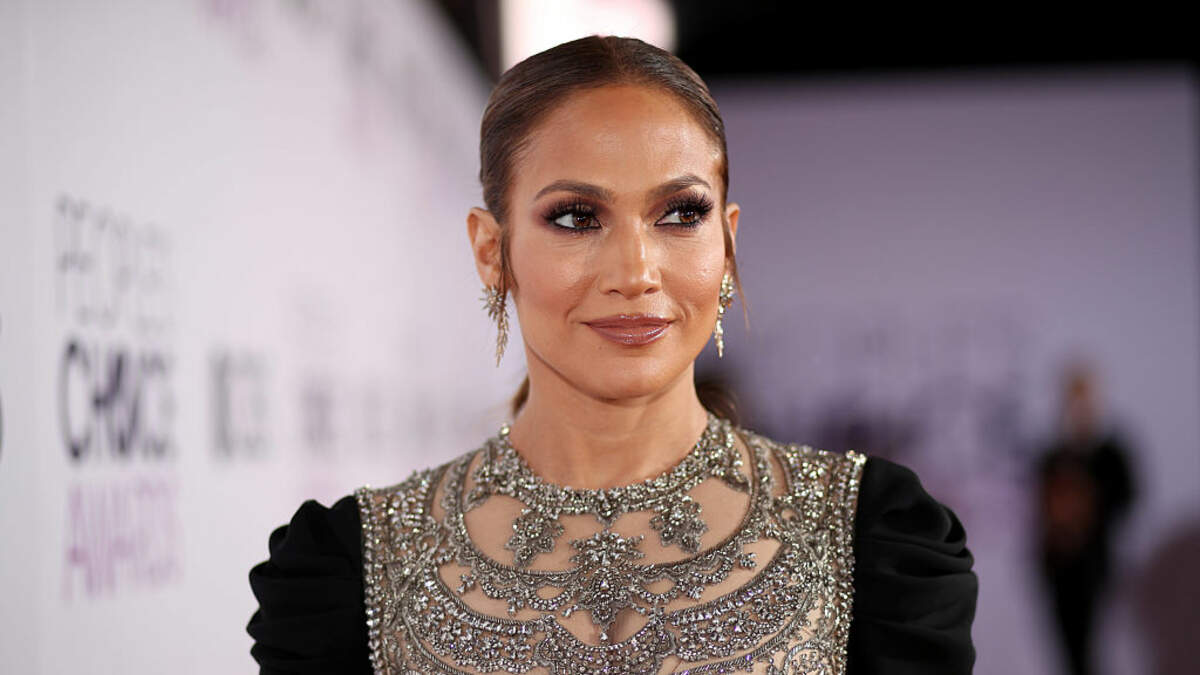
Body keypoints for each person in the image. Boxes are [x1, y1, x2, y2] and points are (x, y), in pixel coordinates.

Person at [247, 36, 978, 674]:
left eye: (680, 214)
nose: (636, 271)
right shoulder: (356, 568)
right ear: (492, 250)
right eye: (576, 217)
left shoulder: (871, 540)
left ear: (726, 243)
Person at [1035, 361, 1136, 675]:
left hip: (1094, 566)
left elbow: (1126, 500)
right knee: (1067, 650)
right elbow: (1041, 510)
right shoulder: (1053, 456)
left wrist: (1089, 506)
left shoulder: (1110, 455)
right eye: (1072, 397)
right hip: (1059, 568)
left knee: (1092, 648)